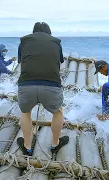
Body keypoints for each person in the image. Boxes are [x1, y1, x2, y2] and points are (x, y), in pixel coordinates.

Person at [16, 22, 69, 156]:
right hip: (51, 85)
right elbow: (58, 65)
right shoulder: (56, 43)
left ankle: (27, 146)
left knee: (25, 112)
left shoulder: (24, 42)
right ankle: (55, 144)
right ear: (49, 33)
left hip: (27, 85)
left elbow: (22, 65)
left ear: (33, 33)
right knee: (58, 112)